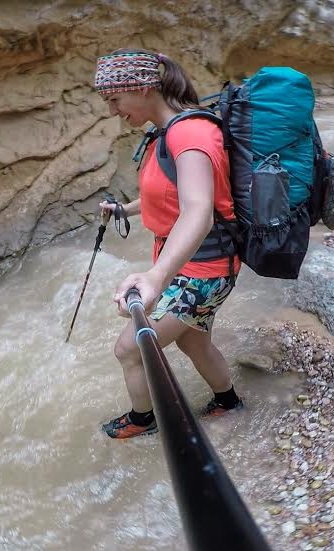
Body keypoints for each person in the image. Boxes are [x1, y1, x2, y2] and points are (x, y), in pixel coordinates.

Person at [94, 49, 243, 439]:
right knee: (193, 342)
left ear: (142, 88)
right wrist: (122, 211)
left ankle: (143, 420)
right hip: (197, 266)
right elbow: (171, 195)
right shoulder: (169, 131)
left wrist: (157, 277)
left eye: (114, 99)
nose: (113, 110)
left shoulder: (189, 133)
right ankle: (228, 403)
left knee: (129, 349)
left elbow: (199, 211)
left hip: (201, 271)